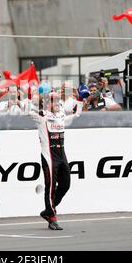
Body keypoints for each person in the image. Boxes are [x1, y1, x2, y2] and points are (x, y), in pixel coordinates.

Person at [28, 92, 82, 230]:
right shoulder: (41, 115)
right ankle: (52, 217)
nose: (57, 103)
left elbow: (76, 114)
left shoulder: (61, 114)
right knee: (50, 187)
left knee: (66, 184)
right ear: (46, 103)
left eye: (58, 100)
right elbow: (28, 112)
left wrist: (81, 99)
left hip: (61, 154)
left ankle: (48, 209)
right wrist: (32, 101)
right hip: (49, 156)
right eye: (53, 100)